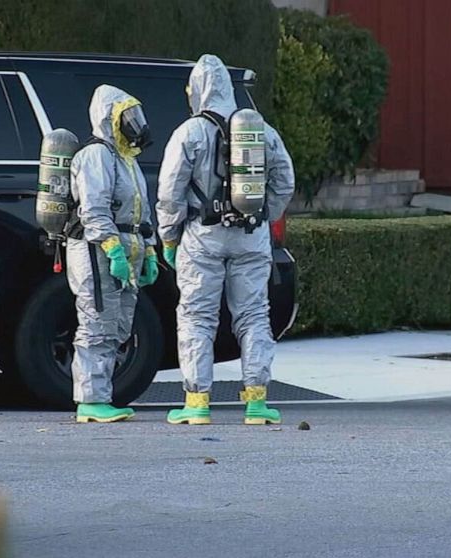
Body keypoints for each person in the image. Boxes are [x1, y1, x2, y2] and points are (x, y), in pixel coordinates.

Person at [157, 54, 295, 425]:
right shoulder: (261, 131)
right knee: (253, 315)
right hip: (251, 236)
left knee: (197, 318)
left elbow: (170, 192)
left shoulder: (189, 133)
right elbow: (285, 180)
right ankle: (256, 402)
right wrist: (264, 216)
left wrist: (169, 237)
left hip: (202, 239)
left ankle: (197, 402)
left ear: (197, 91)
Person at [67, 84, 158, 423]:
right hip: (96, 249)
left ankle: (101, 396)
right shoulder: (96, 155)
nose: (134, 124)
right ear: (108, 118)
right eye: (126, 116)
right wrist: (111, 247)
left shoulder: (126, 160)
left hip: (124, 246)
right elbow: (94, 209)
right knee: (96, 322)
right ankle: (90, 400)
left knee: (118, 326)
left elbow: (141, 211)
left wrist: (148, 250)